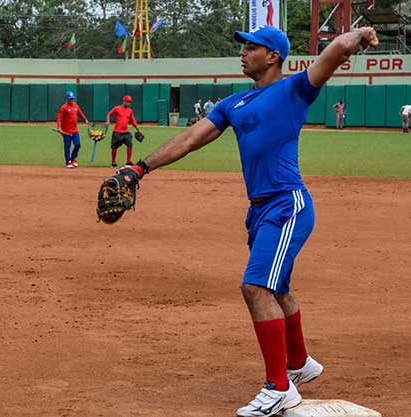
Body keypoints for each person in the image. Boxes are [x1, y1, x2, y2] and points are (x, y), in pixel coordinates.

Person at [108, 25, 378, 416]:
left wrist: (360, 34)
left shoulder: (294, 90)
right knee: (277, 289)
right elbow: (188, 140)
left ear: (273, 56)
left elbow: (333, 52)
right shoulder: (233, 104)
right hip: (260, 211)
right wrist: (139, 168)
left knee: (255, 288)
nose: (243, 52)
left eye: (252, 47)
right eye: (244, 46)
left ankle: (279, 388)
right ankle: (299, 362)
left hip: (287, 204)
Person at [106, 95, 142, 168]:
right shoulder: (117, 108)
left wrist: (138, 129)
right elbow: (109, 114)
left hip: (126, 132)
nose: (129, 103)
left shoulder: (130, 111)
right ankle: (113, 162)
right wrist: (108, 121)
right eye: (128, 101)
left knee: (130, 144)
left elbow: (132, 120)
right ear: (124, 101)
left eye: (130, 102)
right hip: (117, 132)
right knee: (114, 147)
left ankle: (128, 162)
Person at [56, 91, 89, 168]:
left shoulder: (76, 106)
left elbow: (80, 113)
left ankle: (73, 158)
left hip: (74, 130)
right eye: (70, 99)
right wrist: (59, 127)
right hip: (66, 131)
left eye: (72, 99)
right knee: (67, 147)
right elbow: (58, 118)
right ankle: (68, 162)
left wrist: (85, 119)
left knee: (77, 144)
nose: (71, 100)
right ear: (67, 99)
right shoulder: (63, 107)